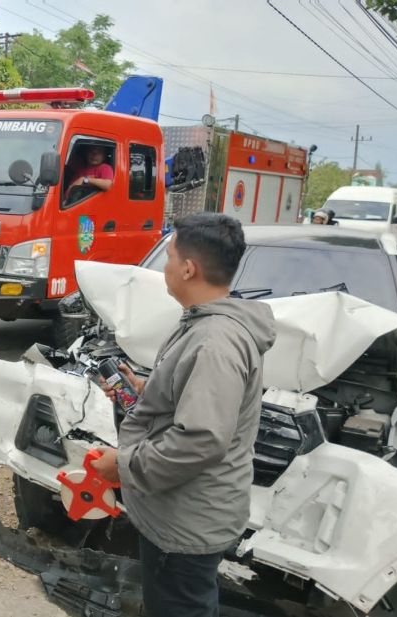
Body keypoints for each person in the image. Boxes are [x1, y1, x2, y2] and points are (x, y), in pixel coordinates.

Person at [91, 213, 276, 617]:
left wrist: (122, 467)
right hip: (186, 511)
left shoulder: (215, 343)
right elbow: (194, 404)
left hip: (185, 524)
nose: (166, 266)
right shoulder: (206, 326)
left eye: (170, 256)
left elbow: (201, 439)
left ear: (189, 268)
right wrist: (145, 390)